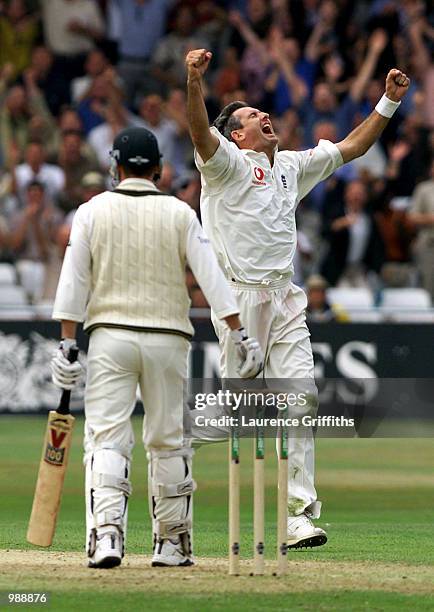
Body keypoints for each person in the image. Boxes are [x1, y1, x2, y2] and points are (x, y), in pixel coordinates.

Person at [185, 47, 409, 548]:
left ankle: (296, 516)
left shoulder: (292, 165)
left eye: (263, 111)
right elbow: (200, 132)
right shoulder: (224, 165)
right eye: (250, 116)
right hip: (238, 304)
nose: (264, 115)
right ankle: (173, 436)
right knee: (238, 416)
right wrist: (194, 82)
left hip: (284, 301)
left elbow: (352, 147)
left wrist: (388, 102)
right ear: (235, 135)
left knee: (301, 398)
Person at [50, 127, 263, 569]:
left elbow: (74, 279)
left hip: (110, 337)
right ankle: (171, 543)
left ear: (115, 166)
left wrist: (68, 343)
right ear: (160, 170)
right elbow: (212, 277)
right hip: (168, 338)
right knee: (168, 441)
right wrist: (239, 332)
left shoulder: (92, 210)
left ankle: (107, 536)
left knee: (107, 436)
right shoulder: (179, 212)